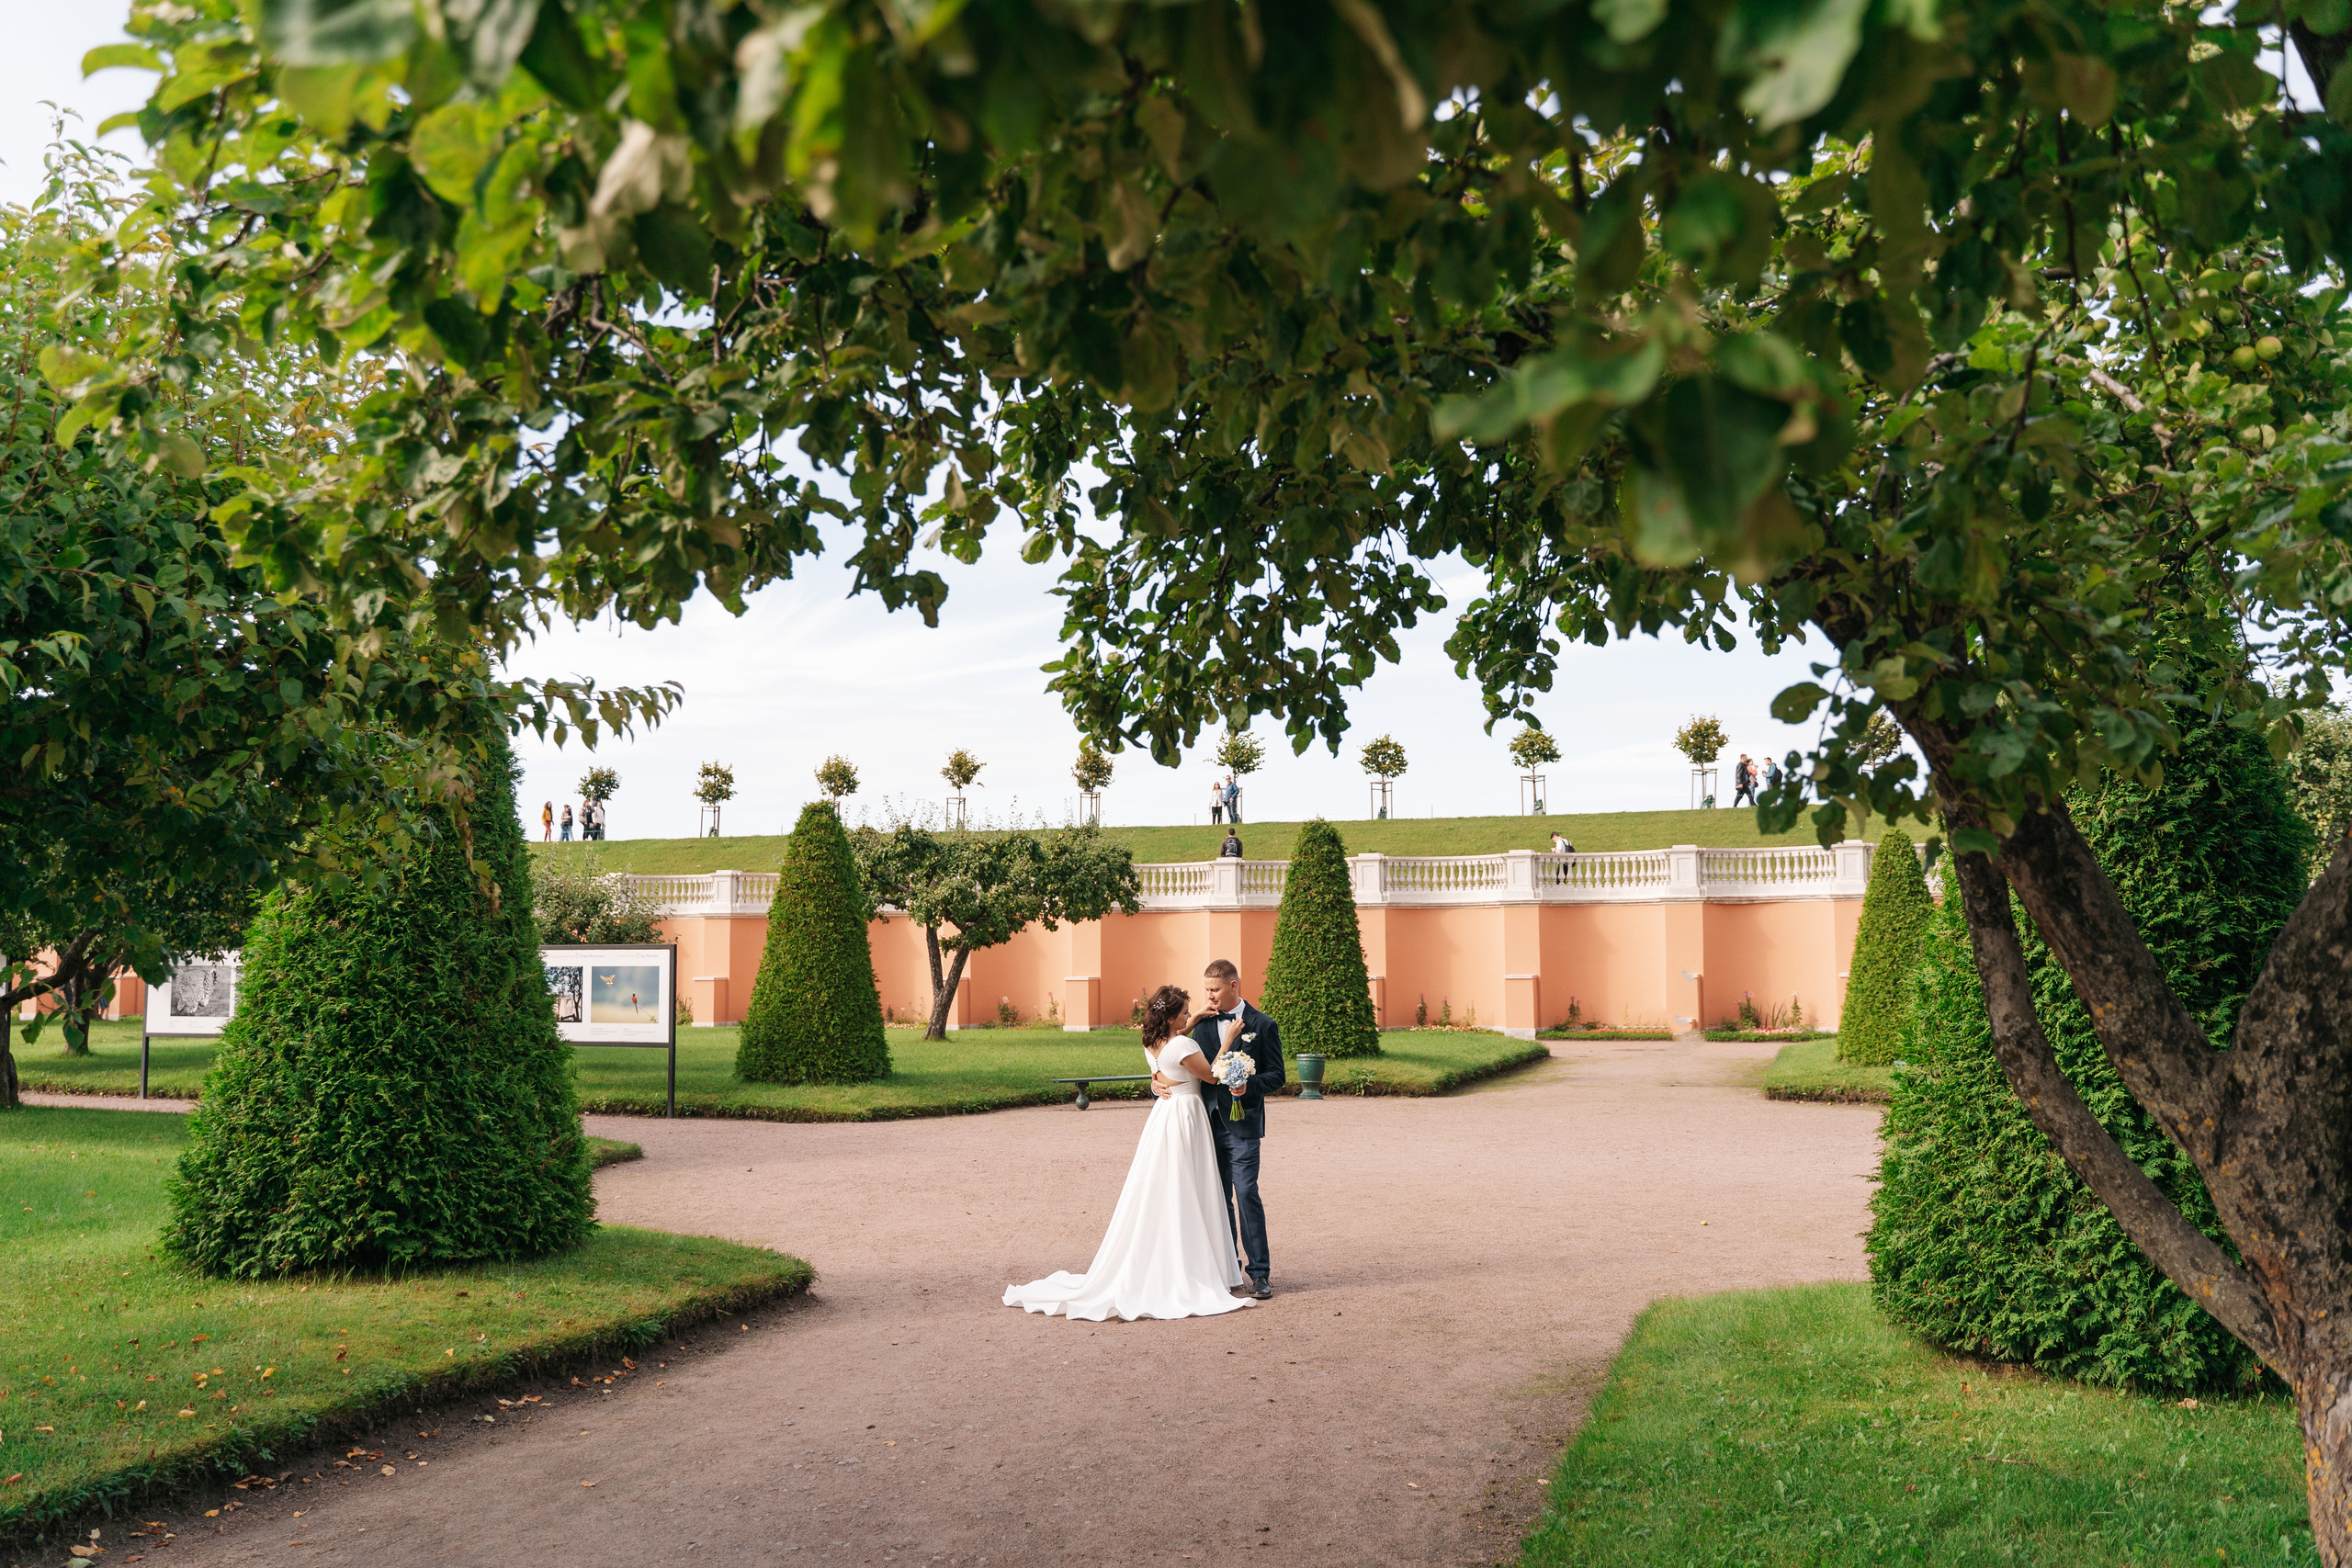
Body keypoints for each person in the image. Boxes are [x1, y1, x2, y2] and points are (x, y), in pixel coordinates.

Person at [1002, 985, 1254, 1321]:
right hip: (1186, 1116)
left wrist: (1189, 1022)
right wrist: (1228, 1041)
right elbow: (1209, 1076)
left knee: (1165, 1187)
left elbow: (1167, 1058)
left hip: (1164, 1117)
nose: (1187, 1017)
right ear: (1170, 1017)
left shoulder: (1152, 1041)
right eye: (1183, 1013)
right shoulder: (1183, 1045)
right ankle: (1194, 1266)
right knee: (1189, 1187)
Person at [1166, 958, 1283, 1299]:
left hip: (1243, 1125)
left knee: (1246, 1194)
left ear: (1233, 985)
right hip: (1205, 1125)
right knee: (1216, 1198)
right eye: (1206, 989)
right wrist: (1156, 1082)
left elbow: (1277, 1075)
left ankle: (1259, 1274)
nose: (1209, 996)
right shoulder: (1201, 1024)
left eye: (1215, 989)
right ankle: (1226, 1268)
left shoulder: (1262, 1024)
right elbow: (1173, 1056)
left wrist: (1249, 1086)